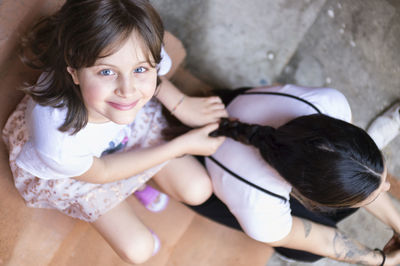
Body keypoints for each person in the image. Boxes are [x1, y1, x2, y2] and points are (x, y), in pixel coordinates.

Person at [1, 0, 227, 264]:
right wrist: (182, 145)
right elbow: (103, 172)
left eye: (139, 69)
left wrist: (181, 104)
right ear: (73, 72)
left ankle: (135, 183)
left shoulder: (135, 52)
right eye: (107, 72)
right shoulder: (56, 138)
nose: (128, 90)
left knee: (198, 189)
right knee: (139, 251)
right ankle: (129, 188)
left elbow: (153, 76)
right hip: (83, 173)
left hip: (126, 132)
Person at [203, 84, 400, 265]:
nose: (388, 188)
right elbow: (322, 241)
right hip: (207, 164)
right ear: (307, 198)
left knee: (356, 194)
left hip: (233, 109)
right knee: (307, 251)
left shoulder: (330, 105)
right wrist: (381, 260)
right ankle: (286, 250)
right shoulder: (260, 209)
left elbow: (353, 176)